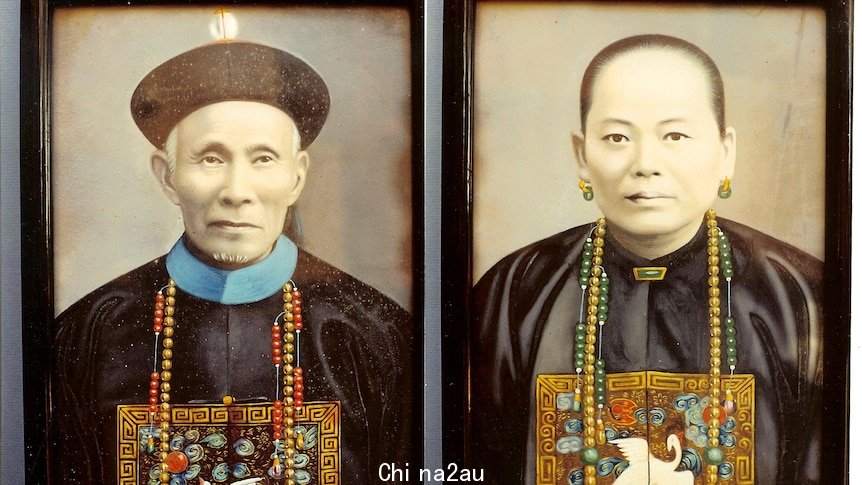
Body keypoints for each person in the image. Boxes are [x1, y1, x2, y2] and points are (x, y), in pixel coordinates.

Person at [49, 40, 412, 484]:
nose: (237, 191)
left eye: (263, 159)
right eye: (211, 158)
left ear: (297, 176)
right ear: (167, 176)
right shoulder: (88, 333)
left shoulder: (374, 331)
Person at [470, 35, 822, 485]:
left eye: (674, 135)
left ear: (724, 151)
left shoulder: (803, 296)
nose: (645, 163)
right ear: (582, 154)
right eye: (617, 137)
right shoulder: (513, 291)